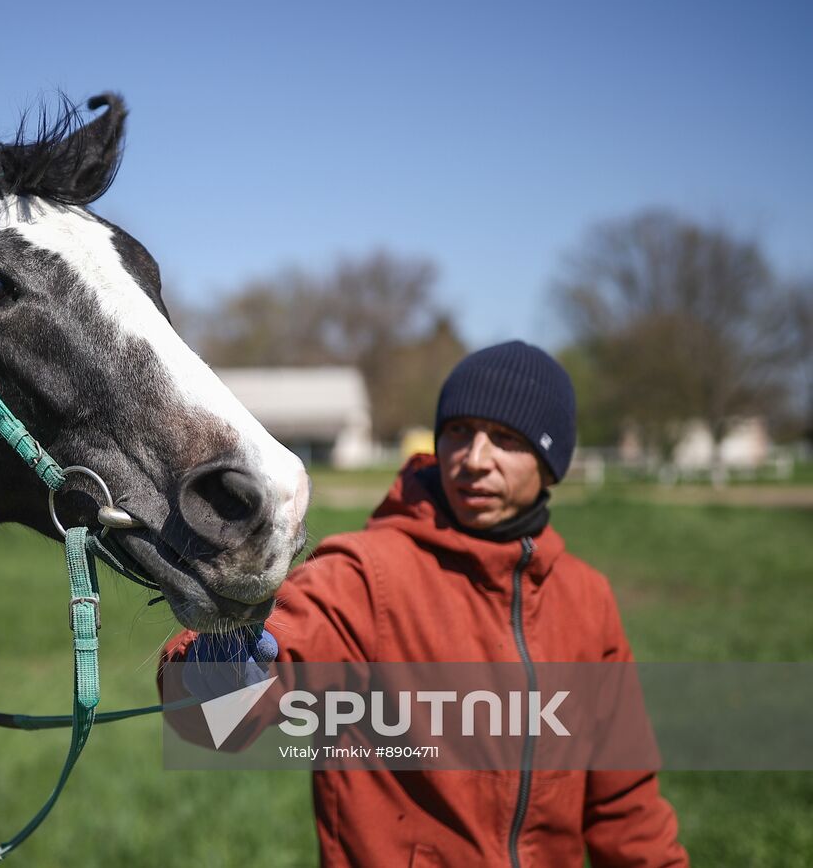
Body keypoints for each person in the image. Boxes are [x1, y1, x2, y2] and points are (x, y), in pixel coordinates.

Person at [160, 341, 687, 867]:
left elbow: (626, 805)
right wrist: (218, 674)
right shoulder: (367, 575)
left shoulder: (587, 599)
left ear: (550, 464)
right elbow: (247, 682)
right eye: (459, 431)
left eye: (505, 439)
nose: (474, 460)